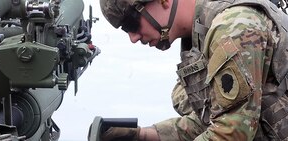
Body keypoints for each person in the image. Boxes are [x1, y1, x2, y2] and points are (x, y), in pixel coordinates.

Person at [98, 0, 288, 140]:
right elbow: (210, 122)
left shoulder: (232, 26)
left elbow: (233, 133)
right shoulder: (199, 35)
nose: (133, 38)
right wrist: (145, 136)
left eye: (132, 23)